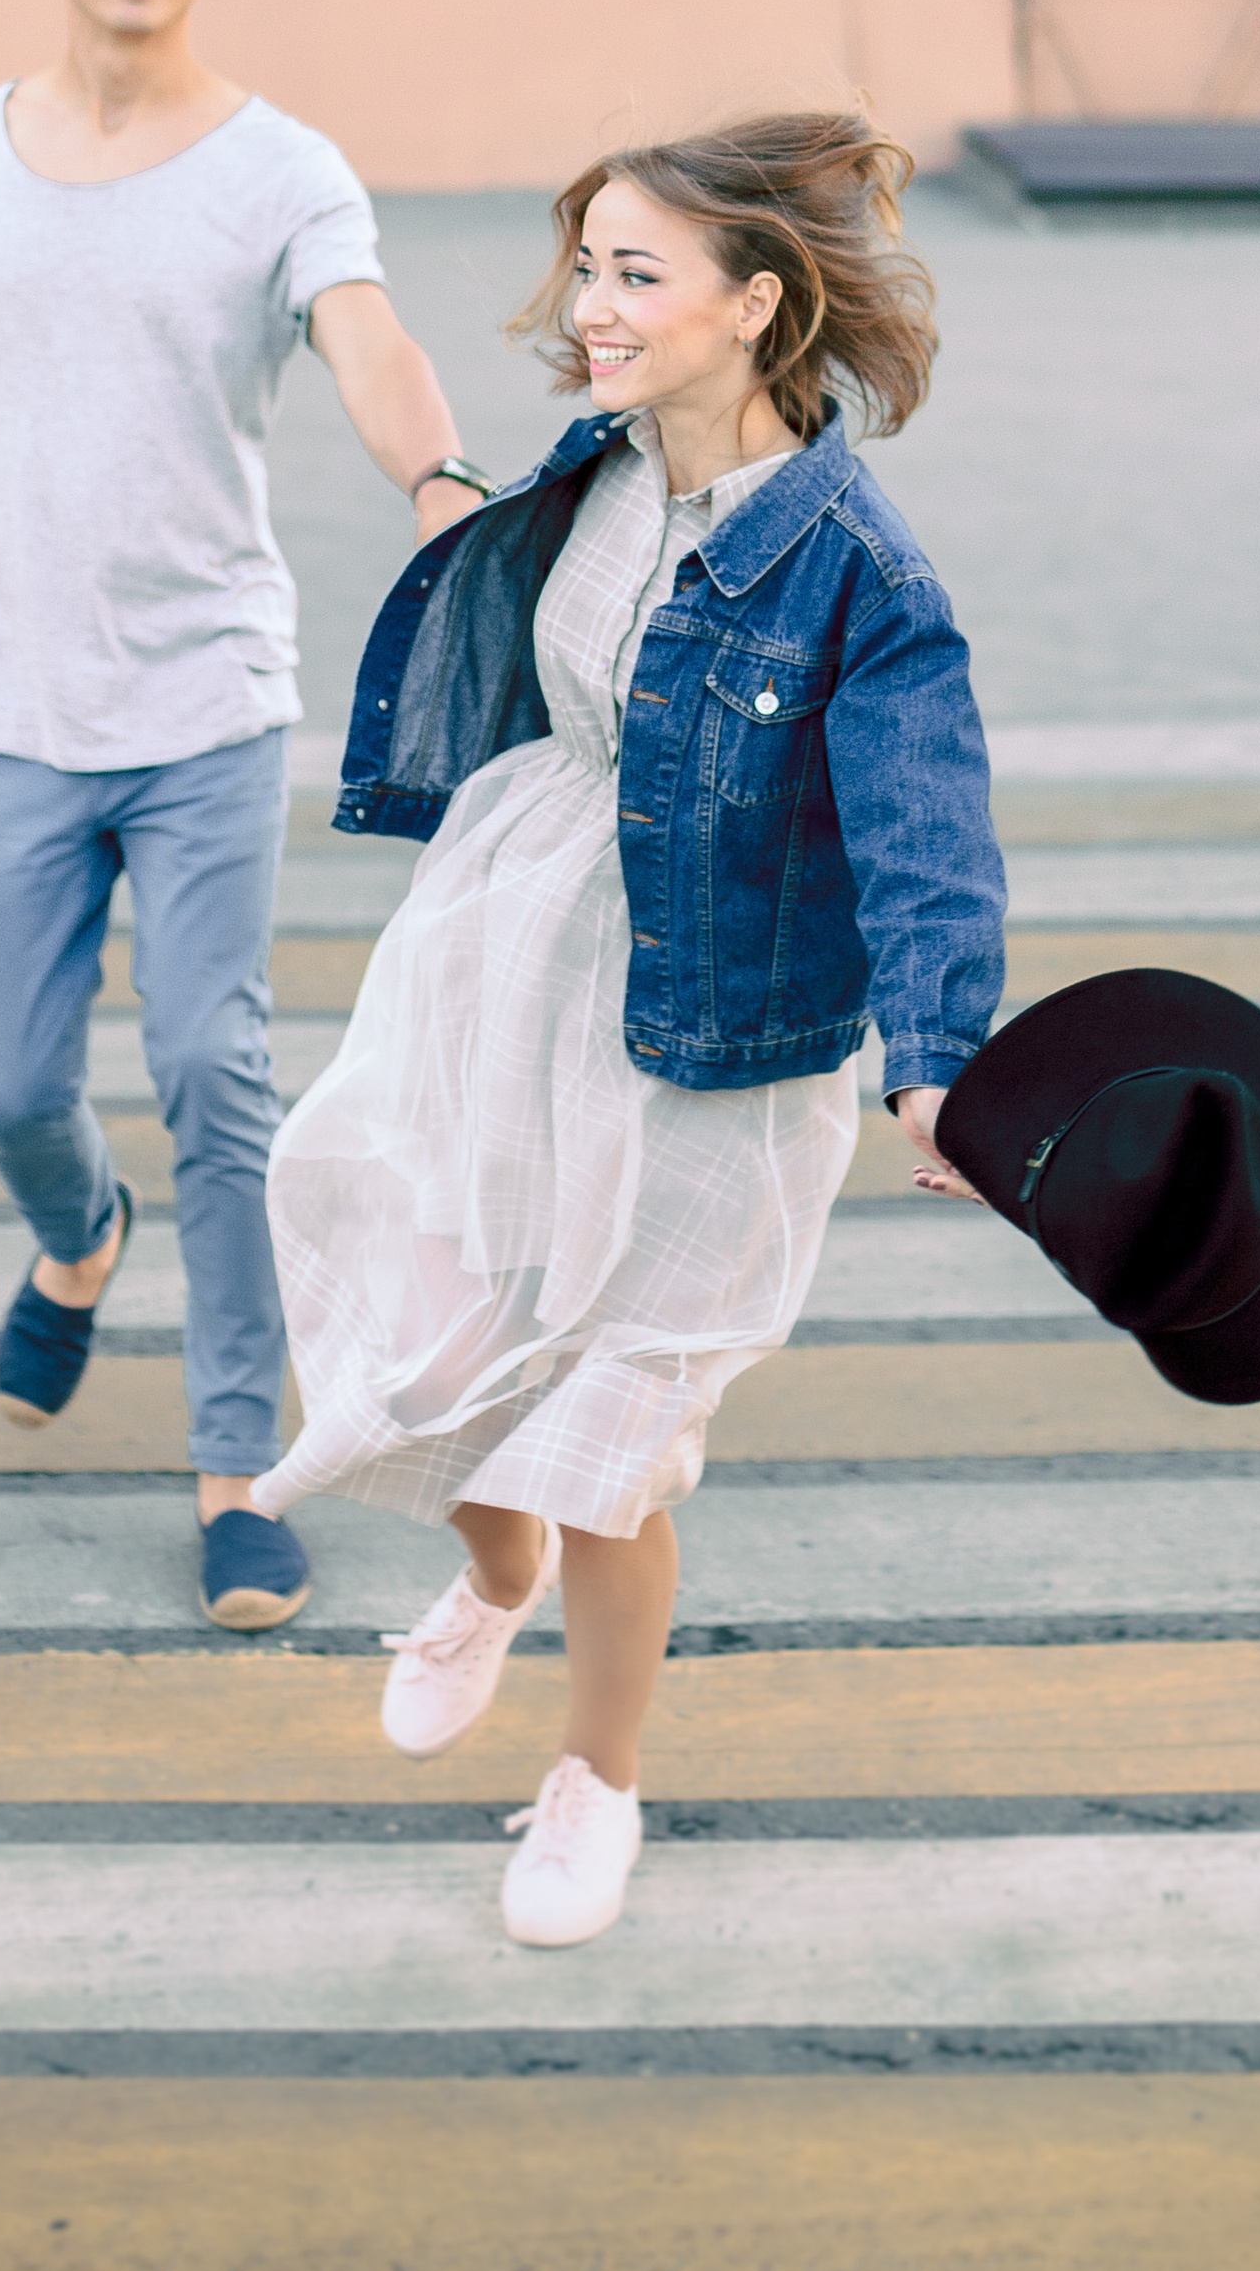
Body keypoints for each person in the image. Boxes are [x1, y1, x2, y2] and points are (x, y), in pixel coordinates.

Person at [252, 114, 1005, 1942]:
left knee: (612, 1447)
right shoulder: (602, 459)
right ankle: (485, 1575)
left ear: (757, 305)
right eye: (589, 264)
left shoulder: (857, 573)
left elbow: (925, 828)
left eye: (634, 275)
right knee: (429, 1315)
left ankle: (597, 1777)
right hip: (525, 942)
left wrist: (940, 1059)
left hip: (718, 1028)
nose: (590, 309)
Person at [0, 0, 488, 1631]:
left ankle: (241, 1468)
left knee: (214, 1076)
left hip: (207, 701)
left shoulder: (284, 170)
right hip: (2, 699)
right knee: (7, 1082)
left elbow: (369, 338)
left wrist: (436, 483)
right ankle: (81, 1238)